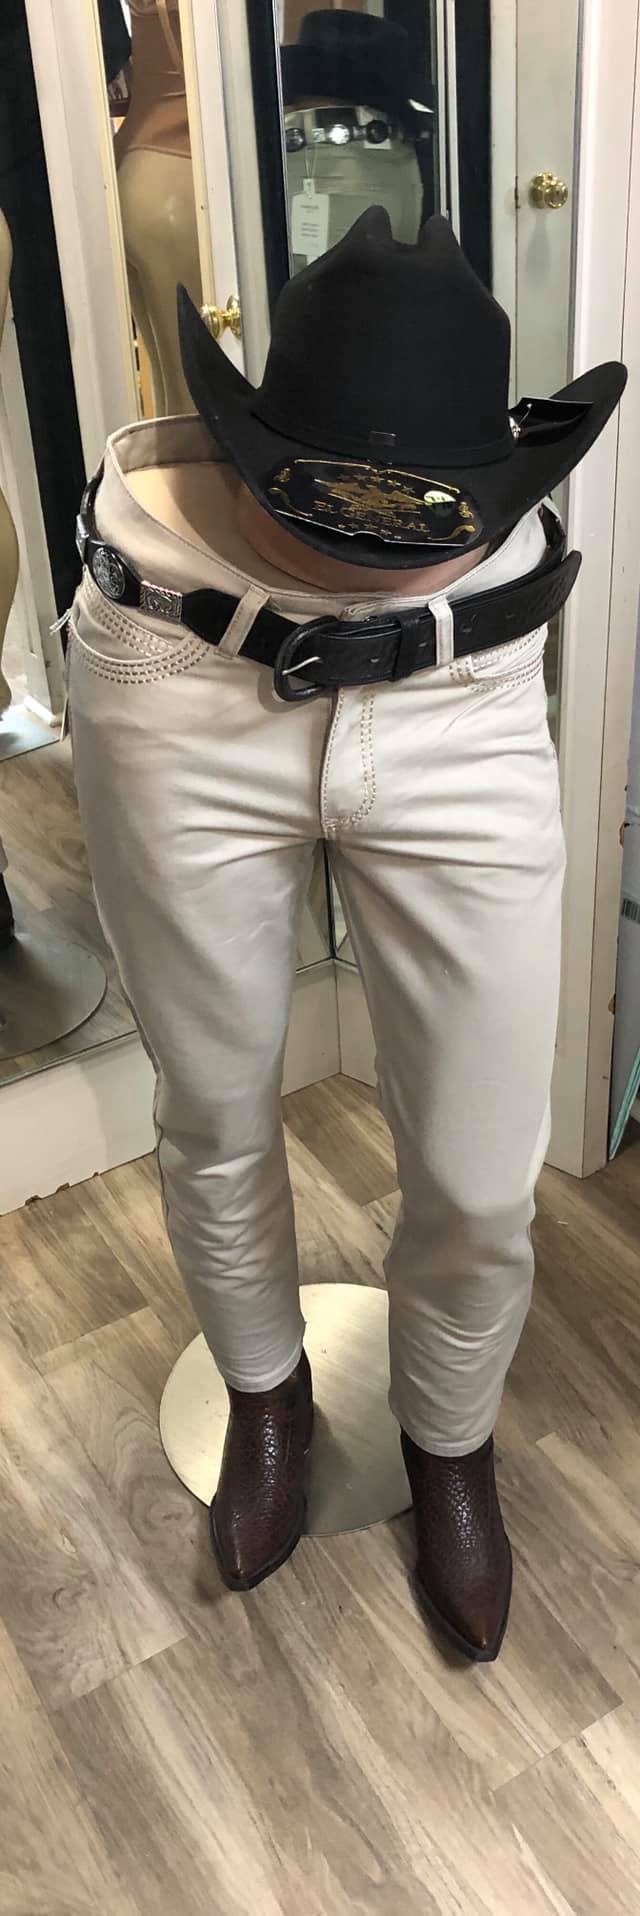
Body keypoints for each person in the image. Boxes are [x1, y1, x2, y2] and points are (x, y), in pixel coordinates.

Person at [68, 212, 625, 1662]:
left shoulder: (489, 564)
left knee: (483, 1163)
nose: (364, 560)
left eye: (414, 521)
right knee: (214, 1102)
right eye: (326, 516)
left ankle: (452, 1440)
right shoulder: (158, 532)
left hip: (464, 698)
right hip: (183, 677)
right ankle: (269, 1395)